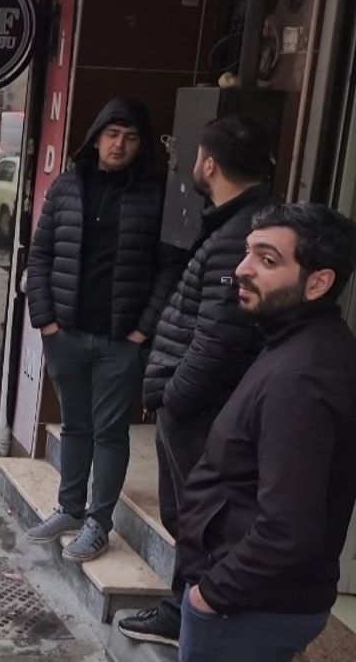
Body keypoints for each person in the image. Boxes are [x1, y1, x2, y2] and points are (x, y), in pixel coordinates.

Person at [174, 203, 356, 662]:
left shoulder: (301, 378)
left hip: (247, 612)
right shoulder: (294, 343)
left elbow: (288, 526)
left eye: (267, 260)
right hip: (252, 605)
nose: (242, 269)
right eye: (247, 253)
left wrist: (210, 596)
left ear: (318, 282)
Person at [118, 115, 275, 647]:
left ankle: (192, 618)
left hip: (200, 410)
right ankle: (182, 608)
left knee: (199, 518)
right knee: (188, 515)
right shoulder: (233, 226)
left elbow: (219, 340)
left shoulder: (240, 239)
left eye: (192, 155)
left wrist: (173, 399)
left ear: (209, 163)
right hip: (193, 407)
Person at [24, 98, 181, 562]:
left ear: (141, 145)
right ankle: (70, 508)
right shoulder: (67, 188)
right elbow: (40, 256)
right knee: (75, 426)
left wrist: (141, 332)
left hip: (120, 341)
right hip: (66, 334)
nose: (120, 144)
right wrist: (47, 322)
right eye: (113, 134)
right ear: (96, 137)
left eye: (131, 137)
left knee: (110, 433)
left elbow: (168, 270)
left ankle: (99, 523)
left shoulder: (156, 195)